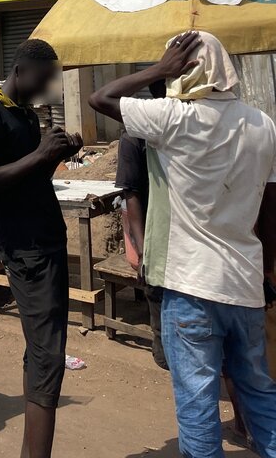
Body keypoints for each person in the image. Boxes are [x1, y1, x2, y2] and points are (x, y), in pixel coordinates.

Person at [90, 31, 276, 458]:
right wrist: (266, 271)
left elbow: (100, 98)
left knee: (198, 407)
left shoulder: (174, 118)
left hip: (191, 287)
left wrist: (158, 70)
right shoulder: (263, 125)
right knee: (261, 395)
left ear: (182, 69)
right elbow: (270, 211)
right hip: (244, 286)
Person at [0, 39, 82, 458]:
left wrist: (56, 154)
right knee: (50, 357)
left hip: (45, 238)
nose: (47, 86)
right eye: (44, 77)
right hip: (26, 248)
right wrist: (40, 156)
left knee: (41, 352)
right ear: (21, 70)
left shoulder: (26, 115)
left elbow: (30, 177)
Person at [116, 78, 168, 370]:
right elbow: (131, 194)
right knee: (160, 305)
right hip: (154, 238)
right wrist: (144, 247)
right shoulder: (136, 136)